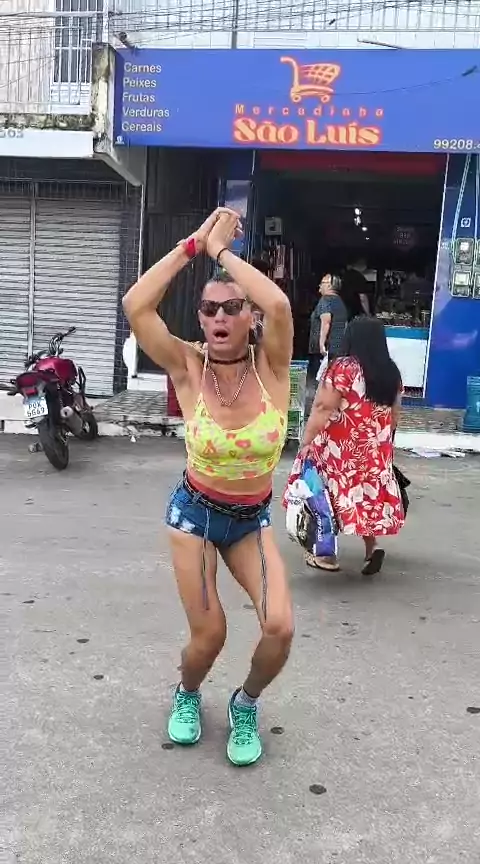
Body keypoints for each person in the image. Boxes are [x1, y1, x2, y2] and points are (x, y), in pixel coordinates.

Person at [123, 208, 294, 767]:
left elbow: (280, 305)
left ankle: (246, 703)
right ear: (200, 318)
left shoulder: (273, 366)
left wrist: (223, 253)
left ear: (249, 316)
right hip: (194, 515)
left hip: (249, 521)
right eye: (209, 308)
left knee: (279, 627)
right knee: (210, 635)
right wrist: (194, 244)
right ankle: (188, 691)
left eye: (232, 307)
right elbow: (136, 306)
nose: (219, 316)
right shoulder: (187, 365)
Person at [301, 316, 404, 575]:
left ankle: (326, 554)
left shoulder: (345, 367)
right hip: (375, 450)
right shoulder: (391, 372)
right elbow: (394, 416)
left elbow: (323, 406)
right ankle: (372, 547)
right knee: (363, 498)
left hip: (339, 449)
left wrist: (307, 440)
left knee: (321, 494)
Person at [311, 273, 348, 384]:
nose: (319, 285)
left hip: (326, 349)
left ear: (329, 285)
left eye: (322, 283)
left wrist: (321, 344)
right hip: (338, 347)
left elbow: (326, 322)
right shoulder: (340, 301)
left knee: (321, 379)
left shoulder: (325, 300)